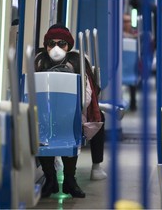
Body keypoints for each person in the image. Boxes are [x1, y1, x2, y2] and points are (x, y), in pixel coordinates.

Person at [35, 24, 107, 198]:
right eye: (52, 43)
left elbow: (88, 92)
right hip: (46, 113)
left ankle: (69, 180)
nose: (56, 48)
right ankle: (50, 179)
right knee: (41, 133)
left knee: (71, 130)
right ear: (46, 45)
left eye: (62, 43)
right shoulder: (39, 61)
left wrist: (73, 108)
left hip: (73, 111)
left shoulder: (78, 61)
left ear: (69, 46)